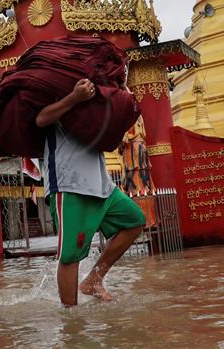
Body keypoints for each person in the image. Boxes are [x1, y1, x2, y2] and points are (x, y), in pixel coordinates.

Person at [36, 78, 145, 306]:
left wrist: (122, 100)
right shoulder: (58, 90)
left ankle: (94, 280)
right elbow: (41, 119)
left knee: (135, 221)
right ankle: (70, 321)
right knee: (69, 256)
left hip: (101, 182)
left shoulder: (95, 96)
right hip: (69, 183)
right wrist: (75, 97)